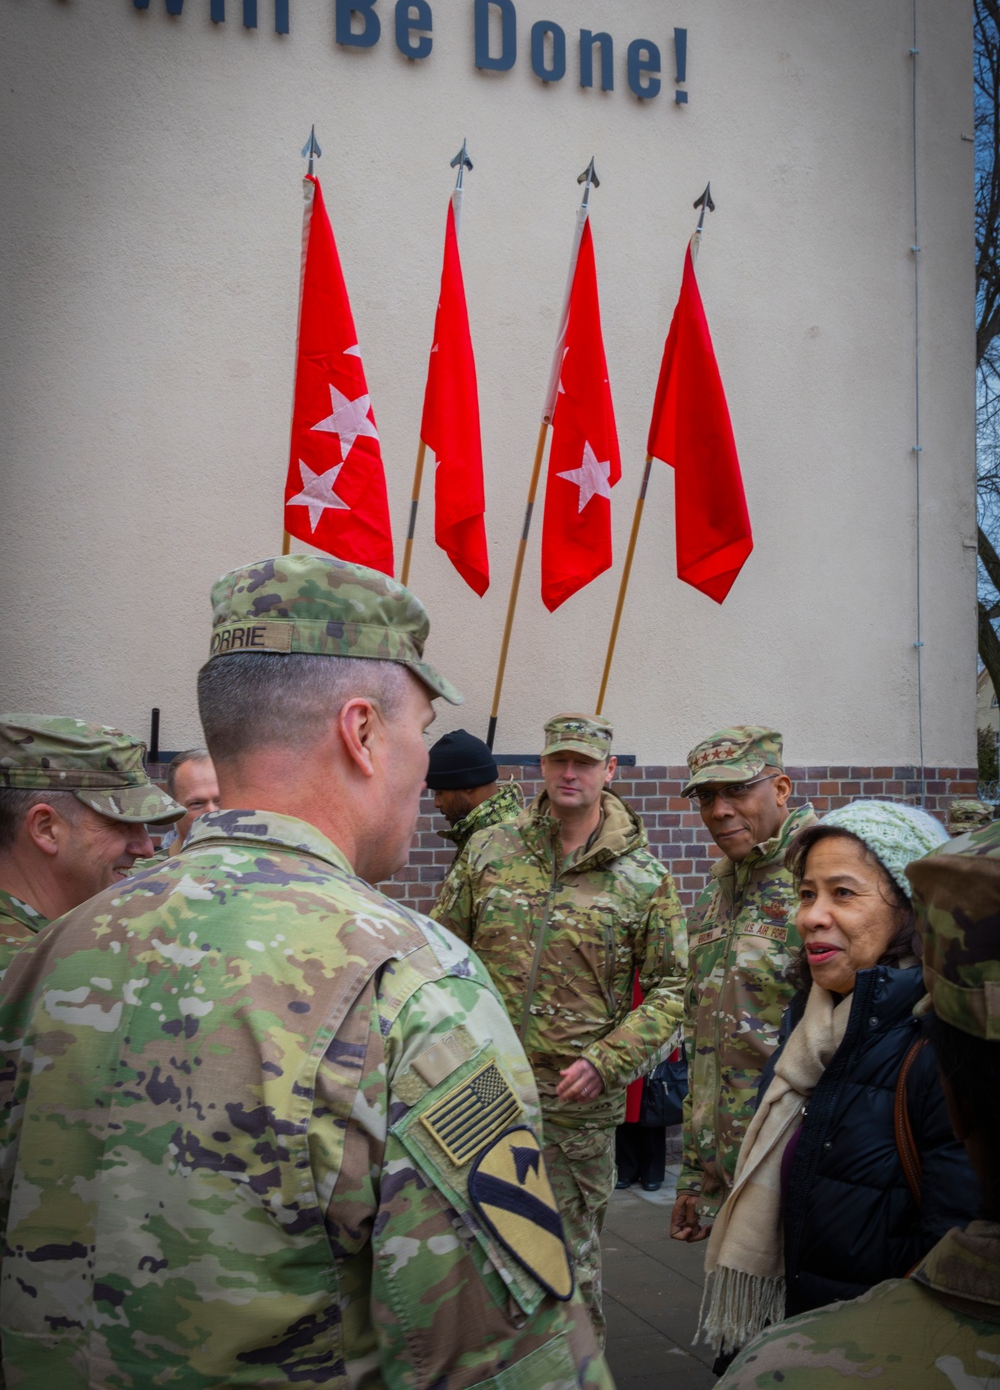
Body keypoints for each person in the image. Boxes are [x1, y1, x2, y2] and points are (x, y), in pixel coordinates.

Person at [0, 556, 611, 1389]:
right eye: (421, 730)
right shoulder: (415, 988)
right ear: (362, 733)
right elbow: (509, 1362)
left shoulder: (52, 953)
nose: (424, 764)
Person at [717, 814, 1000, 1388]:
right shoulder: (814, 1025)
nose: (811, 916)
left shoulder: (937, 1051)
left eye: (842, 893)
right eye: (805, 894)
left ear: (909, 911)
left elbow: (953, 1256)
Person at [432, 711, 688, 1343]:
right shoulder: (492, 851)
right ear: (541, 767)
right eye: (558, 761)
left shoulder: (644, 878)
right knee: (474, 1258)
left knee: (568, 1267)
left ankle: (574, 1373)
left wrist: (609, 1060)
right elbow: (440, 956)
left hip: (575, 1110)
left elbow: (672, 990)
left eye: (584, 762)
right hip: (482, 1095)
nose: (569, 773)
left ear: (609, 770)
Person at [671, 727, 817, 1250]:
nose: (719, 810)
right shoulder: (717, 892)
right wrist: (696, 1177)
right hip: (730, 1177)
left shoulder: (822, 878)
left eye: (736, 790)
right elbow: (701, 1046)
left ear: (780, 789)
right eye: (707, 796)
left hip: (801, 1167)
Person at [0, 713, 183, 972]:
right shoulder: (30, 975)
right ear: (46, 828)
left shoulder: (48, 938)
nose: (144, 848)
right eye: (119, 823)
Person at [425, 727, 522, 863]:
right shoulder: (479, 834)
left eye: (440, 792)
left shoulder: (505, 843)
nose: (437, 803)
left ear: (468, 785)